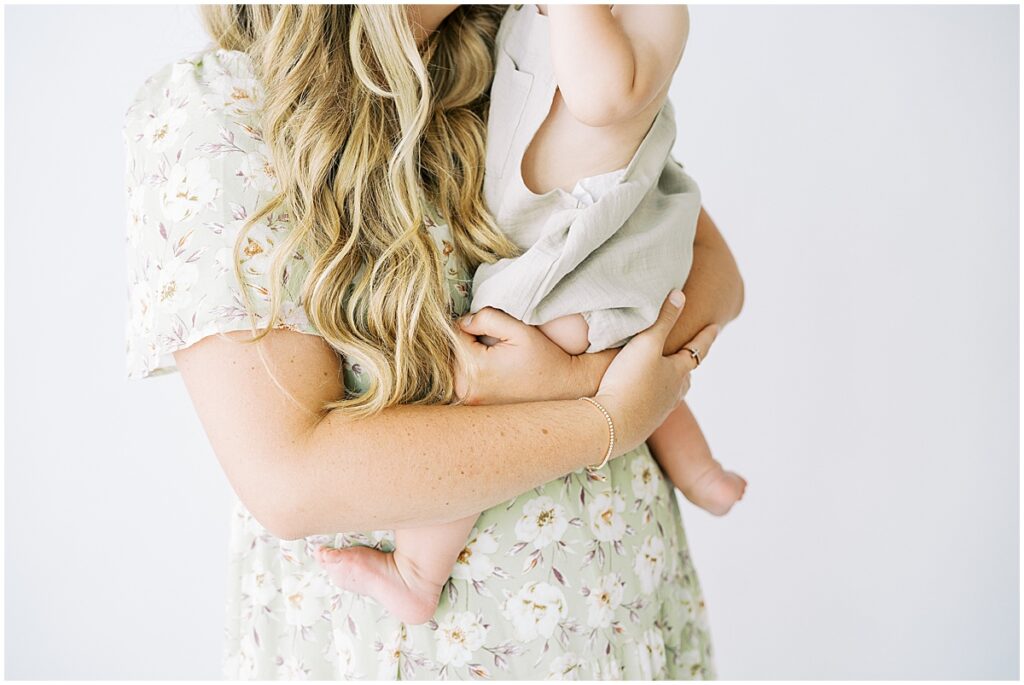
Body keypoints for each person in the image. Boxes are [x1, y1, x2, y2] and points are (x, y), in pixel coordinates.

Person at [123, 5, 743, 679]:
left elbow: (704, 268)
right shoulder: (219, 110)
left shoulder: (526, 38)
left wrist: (570, 378)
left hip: (621, 617)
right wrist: (605, 415)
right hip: (418, 655)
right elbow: (291, 480)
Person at [317, 3, 745, 628]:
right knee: (627, 370)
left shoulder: (654, 14)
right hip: (570, 253)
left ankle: (417, 575)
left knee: (484, 386)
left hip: (581, 254)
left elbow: (599, 97)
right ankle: (700, 472)